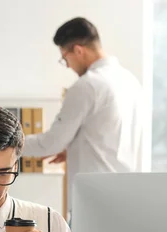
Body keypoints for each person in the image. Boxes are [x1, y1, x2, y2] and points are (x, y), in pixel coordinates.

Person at [22, 17, 147, 216]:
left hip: (96, 202)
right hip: (130, 200)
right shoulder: (131, 82)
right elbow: (111, 135)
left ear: (78, 50)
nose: (69, 65)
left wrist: (9, 144)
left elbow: (51, 143)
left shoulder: (87, 86)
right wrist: (74, 148)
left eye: (65, 59)